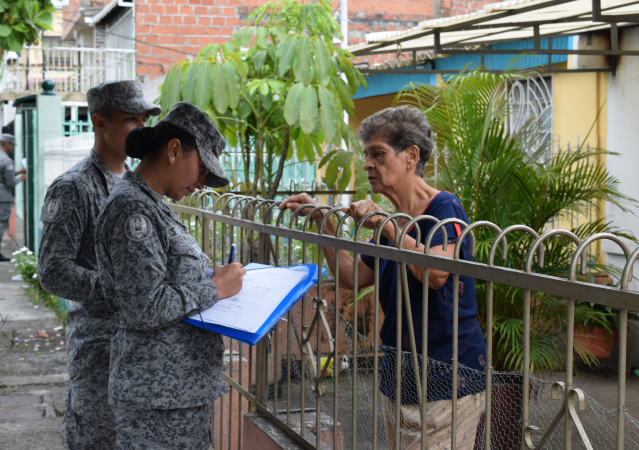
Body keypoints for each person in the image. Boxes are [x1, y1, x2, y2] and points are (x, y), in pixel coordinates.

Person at [280, 106, 486, 450]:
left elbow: (436, 274)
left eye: (378, 154)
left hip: (448, 377)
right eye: (366, 155)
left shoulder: (444, 209)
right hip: (401, 375)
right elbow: (352, 277)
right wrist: (324, 222)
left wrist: (387, 225)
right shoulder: (392, 220)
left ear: (411, 156)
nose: (367, 164)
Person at [95, 101, 246, 450]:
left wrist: (211, 279)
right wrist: (214, 287)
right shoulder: (134, 209)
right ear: (175, 150)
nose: (203, 182)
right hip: (156, 396)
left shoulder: (150, 205)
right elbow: (144, 305)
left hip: (173, 391)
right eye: (203, 169)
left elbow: (162, 282)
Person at [38, 79, 161, 450]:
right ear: (99, 123)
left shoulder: (139, 184)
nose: (140, 128)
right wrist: (115, 290)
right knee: (96, 439)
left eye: (144, 119)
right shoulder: (73, 187)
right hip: (99, 347)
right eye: (130, 119)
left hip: (138, 346)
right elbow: (52, 270)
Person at [0, 133, 26, 262]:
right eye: (12, 145)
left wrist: (18, 172)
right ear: (7, 144)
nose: (12, 148)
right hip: (3, 196)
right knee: (0, 223)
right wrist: (21, 178)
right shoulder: (7, 160)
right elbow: (10, 182)